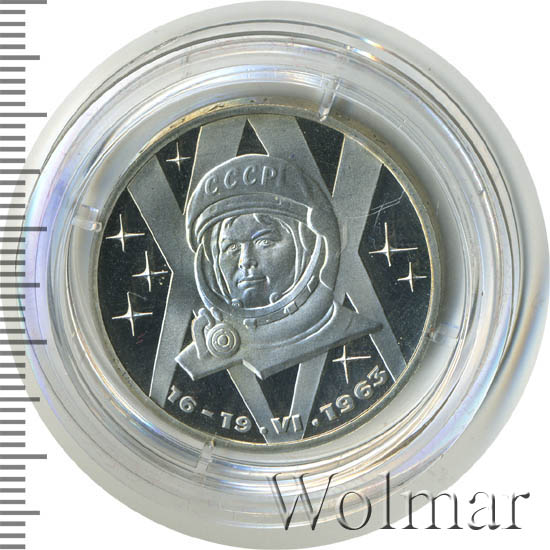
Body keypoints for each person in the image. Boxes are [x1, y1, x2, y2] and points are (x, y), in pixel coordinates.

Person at [176, 154, 378, 380]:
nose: (245, 261)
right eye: (231, 247)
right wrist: (207, 357)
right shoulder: (198, 356)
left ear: (308, 247)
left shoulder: (348, 328)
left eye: (264, 242)